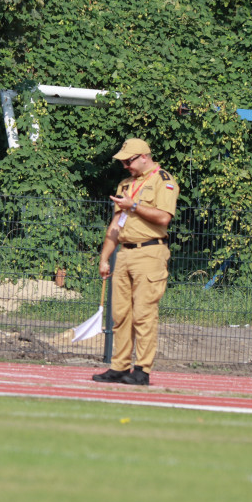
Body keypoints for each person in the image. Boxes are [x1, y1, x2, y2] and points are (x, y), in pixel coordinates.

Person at [92, 138, 180, 386]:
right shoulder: (125, 185)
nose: (125, 166)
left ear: (144, 156)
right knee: (120, 314)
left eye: (128, 161)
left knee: (144, 314)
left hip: (150, 253)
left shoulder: (164, 181)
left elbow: (163, 218)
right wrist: (105, 256)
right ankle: (119, 367)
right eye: (122, 161)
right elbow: (116, 224)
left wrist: (135, 205)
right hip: (125, 253)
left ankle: (141, 370)